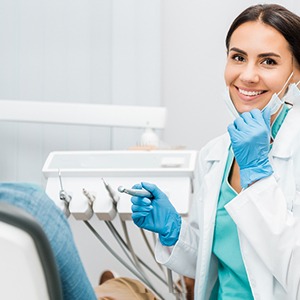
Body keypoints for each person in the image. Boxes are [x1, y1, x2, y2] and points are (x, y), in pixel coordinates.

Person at [130, 4, 300, 300]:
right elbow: (210, 262)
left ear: (296, 74)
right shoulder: (215, 154)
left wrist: (257, 177)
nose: (247, 76)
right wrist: (174, 231)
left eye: (268, 62)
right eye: (238, 57)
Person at [0, 182, 159, 300]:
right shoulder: (34, 205)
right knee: (132, 288)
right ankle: (111, 289)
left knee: (124, 288)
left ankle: (109, 289)